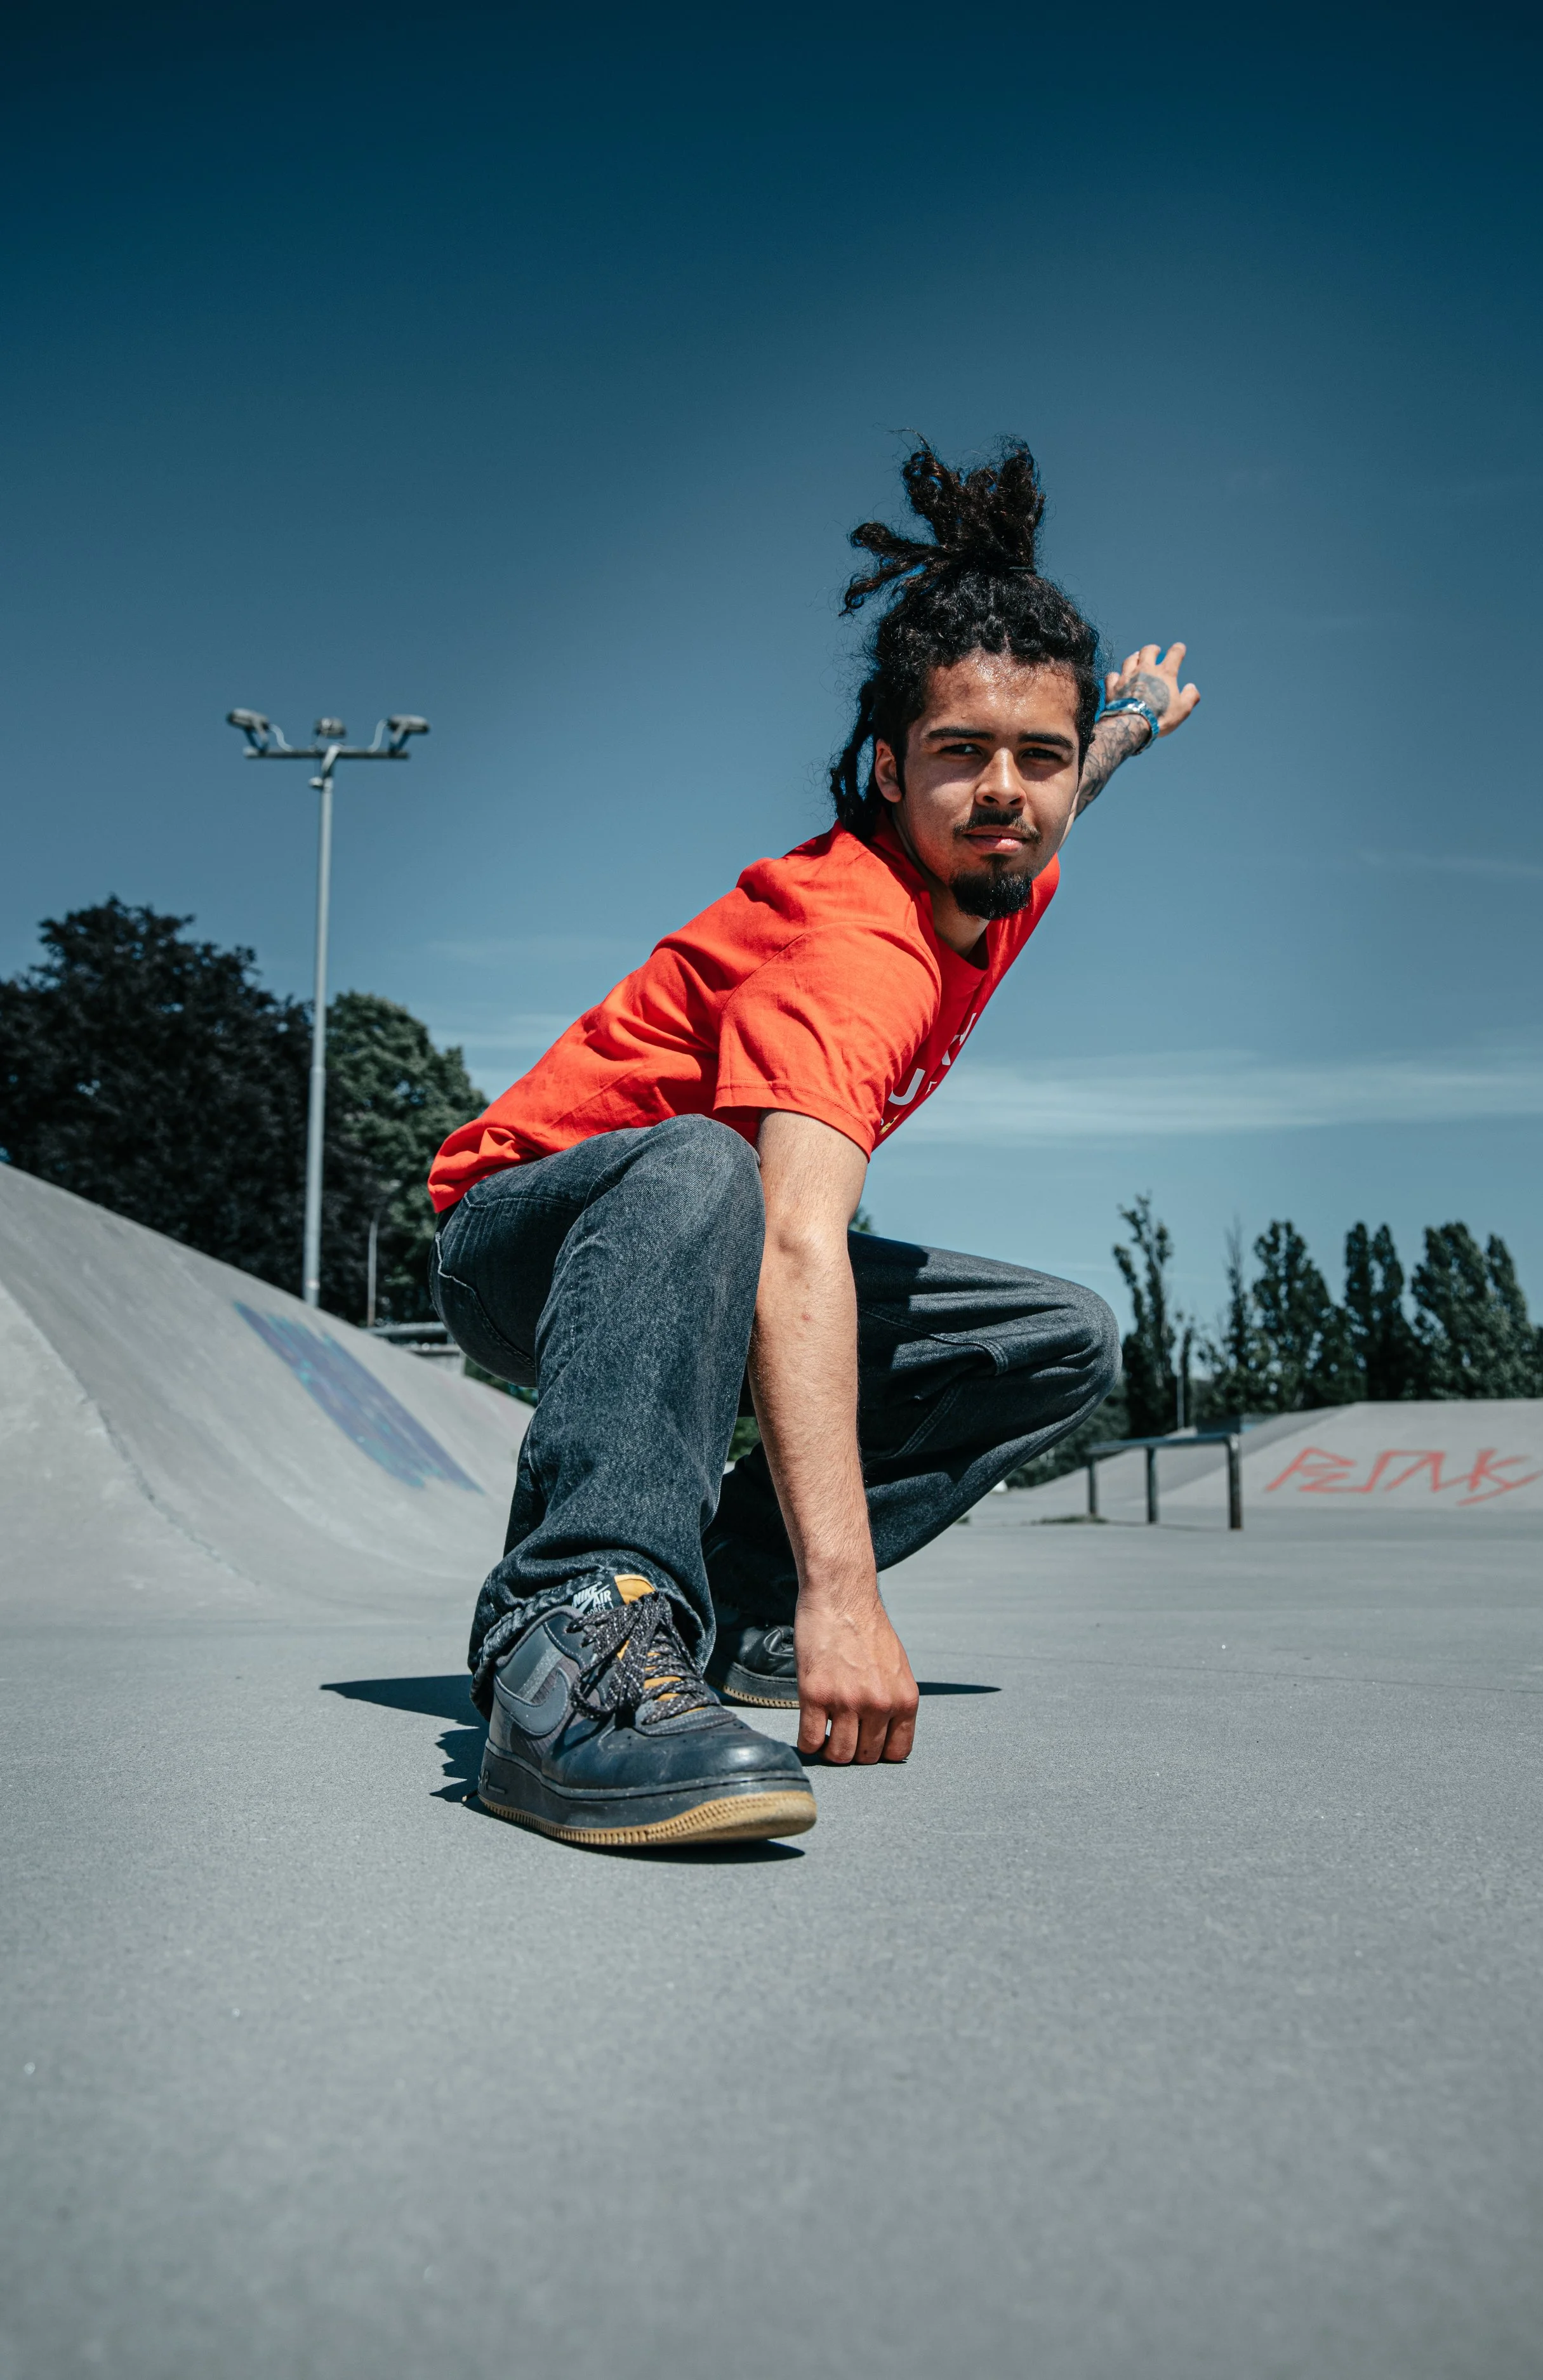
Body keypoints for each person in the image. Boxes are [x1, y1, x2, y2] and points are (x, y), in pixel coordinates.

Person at [427, 439, 1200, 1849]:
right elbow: (796, 1246)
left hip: (701, 1254)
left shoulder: (1007, 851)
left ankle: (724, 1599)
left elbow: (1073, 760)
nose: (1003, 795)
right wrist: (849, 1588)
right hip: (533, 1244)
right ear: (887, 769)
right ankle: (571, 1637)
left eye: (1035, 762)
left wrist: (1131, 720)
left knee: (1055, 1336)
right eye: (958, 758)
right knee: (705, 1164)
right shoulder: (855, 950)